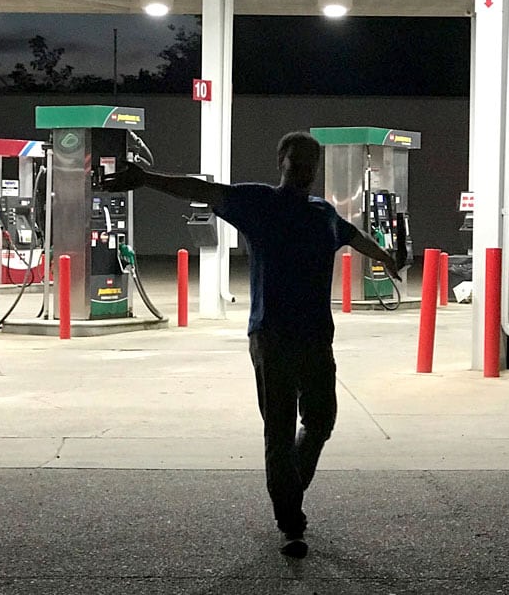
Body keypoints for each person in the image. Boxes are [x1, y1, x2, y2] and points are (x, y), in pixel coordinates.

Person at [103, 131, 400, 559]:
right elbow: (202, 188)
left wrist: (387, 258)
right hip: (272, 334)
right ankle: (291, 522)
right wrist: (146, 179)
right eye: (296, 160)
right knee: (279, 430)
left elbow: (354, 237)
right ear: (281, 162)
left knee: (320, 421)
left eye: (309, 162)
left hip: (316, 337)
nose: (302, 168)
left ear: (315, 169)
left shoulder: (324, 214)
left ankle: (288, 491)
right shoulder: (259, 203)